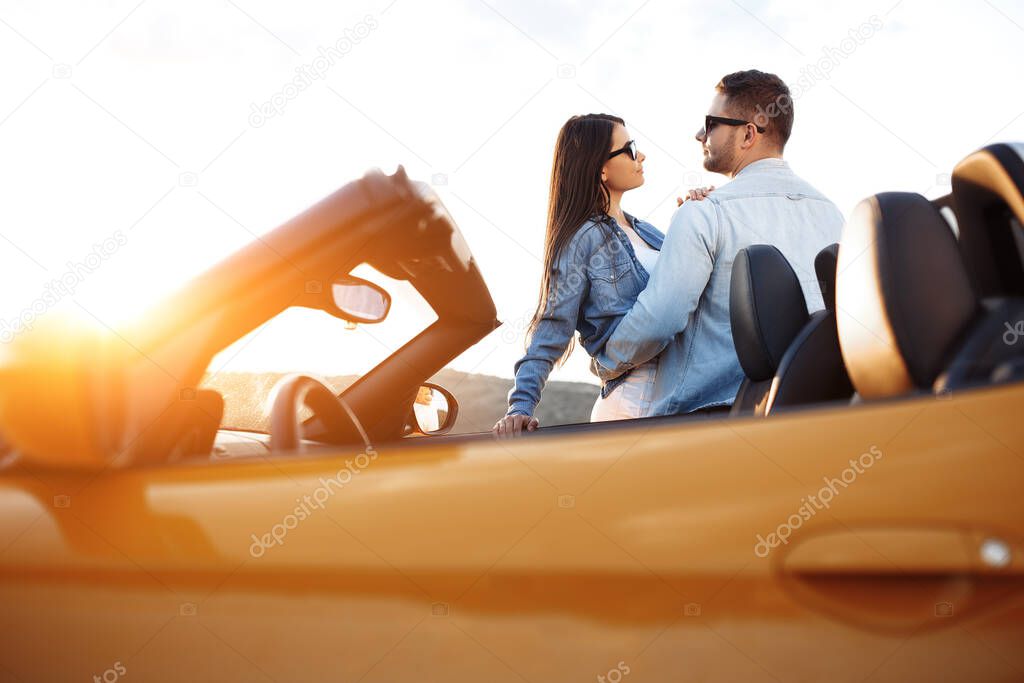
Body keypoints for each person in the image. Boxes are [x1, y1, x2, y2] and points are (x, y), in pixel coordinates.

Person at [591, 69, 845, 416]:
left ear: (748, 134)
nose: (699, 134)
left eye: (711, 124)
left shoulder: (705, 213)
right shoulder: (833, 215)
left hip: (707, 424)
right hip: (813, 416)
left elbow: (659, 321)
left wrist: (605, 361)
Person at [493, 114, 671, 438]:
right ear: (601, 168)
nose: (641, 156)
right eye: (630, 149)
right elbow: (551, 330)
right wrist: (520, 407)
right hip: (633, 404)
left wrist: (700, 213)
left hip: (672, 400)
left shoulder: (648, 232)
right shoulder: (582, 239)